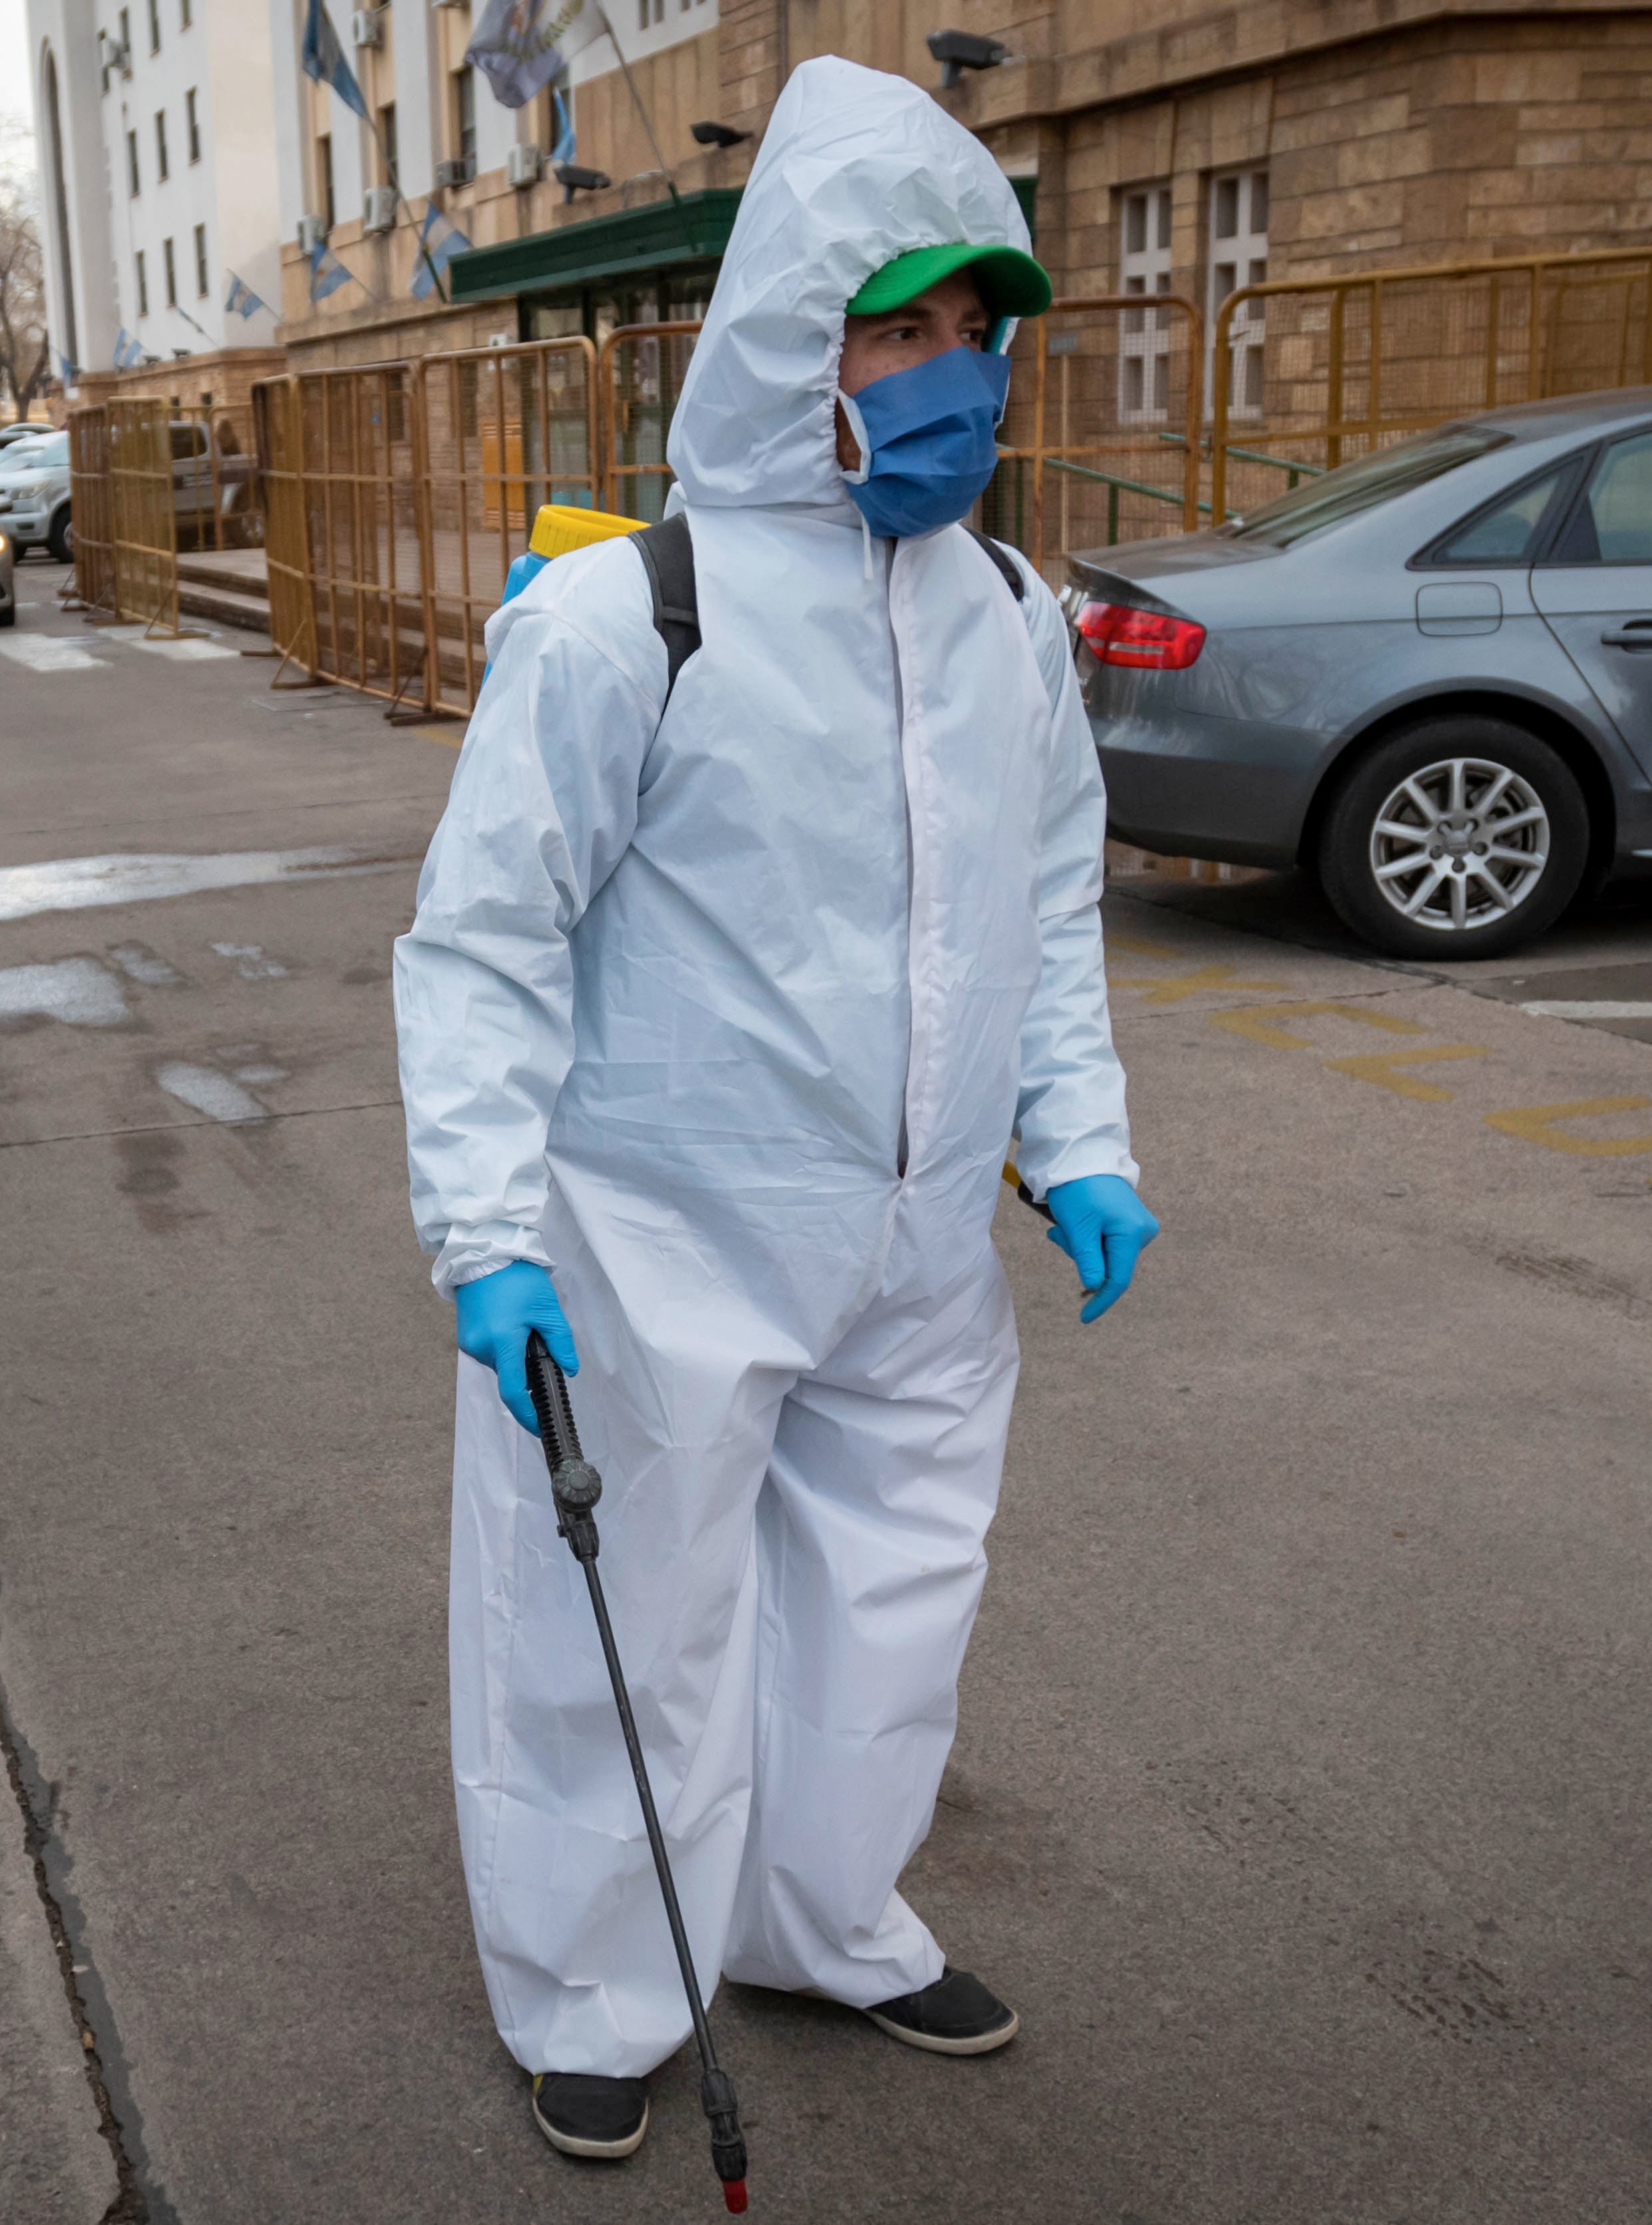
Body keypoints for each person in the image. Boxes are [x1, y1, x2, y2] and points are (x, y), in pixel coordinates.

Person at [392, 57, 1161, 2164]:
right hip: (657, 1235)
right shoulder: (637, 612)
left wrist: (1073, 1136)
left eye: (973, 331)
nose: (949, 375)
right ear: (789, 339)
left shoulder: (1011, 618)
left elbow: (1048, 899)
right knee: (622, 1619)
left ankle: (824, 1917)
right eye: (895, 326)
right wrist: (490, 1229)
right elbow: (484, 939)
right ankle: (600, 1982)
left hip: (916, 1244)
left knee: (891, 1601)